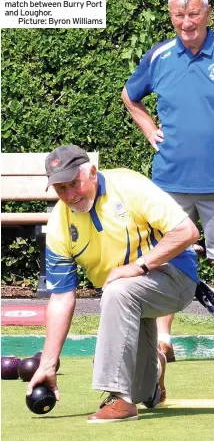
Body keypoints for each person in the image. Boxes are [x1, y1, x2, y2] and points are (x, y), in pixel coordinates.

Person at [122, 0, 214, 364]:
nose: (187, 22)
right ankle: (164, 341)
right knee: (166, 259)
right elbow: (129, 95)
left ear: (208, 13)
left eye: (194, 14)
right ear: (171, 17)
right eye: (179, 16)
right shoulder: (160, 56)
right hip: (169, 184)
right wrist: (148, 128)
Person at [27, 144, 200, 423]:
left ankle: (119, 399)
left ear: (92, 173)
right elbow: (61, 298)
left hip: (175, 276)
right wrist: (48, 364)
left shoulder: (128, 185)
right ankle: (153, 371)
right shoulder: (59, 223)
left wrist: (138, 267)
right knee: (142, 391)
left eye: (74, 183)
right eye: (60, 189)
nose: (70, 195)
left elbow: (187, 231)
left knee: (117, 291)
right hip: (129, 295)